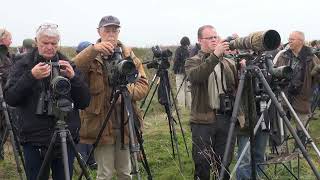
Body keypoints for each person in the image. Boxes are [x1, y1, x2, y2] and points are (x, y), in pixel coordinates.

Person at [3, 23, 90, 180]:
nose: (50, 47)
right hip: (34, 140)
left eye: (54, 43)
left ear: (58, 43)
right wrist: (31, 76)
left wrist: (74, 78)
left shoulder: (67, 64)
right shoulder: (23, 64)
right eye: (45, 43)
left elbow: (84, 102)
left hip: (65, 137)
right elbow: (11, 98)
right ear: (36, 42)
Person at [73, 15, 149, 180]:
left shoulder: (128, 54)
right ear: (99, 31)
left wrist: (127, 94)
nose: (111, 34)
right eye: (107, 30)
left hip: (124, 121)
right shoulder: (92, 55)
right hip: (100, 122)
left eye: (115, 30)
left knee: (125, 173)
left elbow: (143, 85)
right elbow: (74, 69)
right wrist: (94, 50)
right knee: (105, 174)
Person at [185, 25, 238, 180]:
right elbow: (197, 76)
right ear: (200, 40)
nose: (214, 40)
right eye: (210, 38)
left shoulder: (227, 62)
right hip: (203, 120)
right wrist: (215, 55)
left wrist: (241, 67)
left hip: (225, 118)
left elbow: (236, 86)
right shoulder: (192, 61)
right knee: (202, 164)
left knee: (224, 163)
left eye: (216, 37)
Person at [274, 31, 320, 147]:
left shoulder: (311, 57)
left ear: (301, 41)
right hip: (284, 96)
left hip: (302, 97)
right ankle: (281, 150)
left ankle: (300, 151)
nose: (289, 41)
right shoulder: (282, 54)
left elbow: (317, 77)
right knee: (281, 126)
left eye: (292, 39)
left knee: (302, 127)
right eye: (289, 39)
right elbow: (273, 70)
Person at [74, 41, 97, 169]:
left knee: (88, 134)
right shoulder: (78, 67)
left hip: (90, 106)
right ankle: (85, 160)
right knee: (83, 134)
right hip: (83, 107)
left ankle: (90, 160)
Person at [0, 28, 13, 160]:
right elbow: (6, 72)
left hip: (5, 94)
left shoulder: (7, 55)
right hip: (1, 95)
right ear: (2, 39)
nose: (11, 41)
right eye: (9, 38)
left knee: (4, 126)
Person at [173, 36, 191, 109]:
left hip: (179, 72)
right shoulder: (189, 50)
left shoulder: (178, 50)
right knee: (188, 89)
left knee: (180, 90)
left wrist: (175, 69)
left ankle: (181, 106)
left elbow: (176, 60)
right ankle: (190, 106)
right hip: (188, 72)